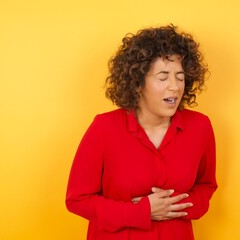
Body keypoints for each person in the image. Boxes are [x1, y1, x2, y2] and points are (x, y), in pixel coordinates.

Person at [66, 24, 217, 240]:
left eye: (180, 77)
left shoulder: (200, 127)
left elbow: (206, 185)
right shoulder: (104, 128)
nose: (174, 87)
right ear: (138, 83)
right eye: (163, 77)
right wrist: (141, 212)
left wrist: (173, 207)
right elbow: (77, 200)